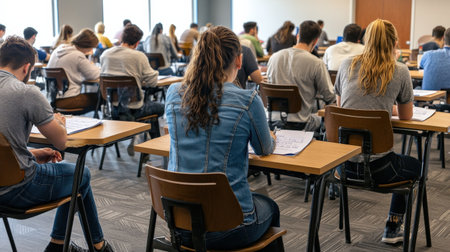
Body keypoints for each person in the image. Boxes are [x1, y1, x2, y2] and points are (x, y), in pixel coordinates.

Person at [165, 25, 278, 250]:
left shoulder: (173, 92)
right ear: (239, 61)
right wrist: (271, 135)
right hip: (229, 226)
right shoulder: (248, 100)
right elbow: (265, 148)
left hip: (179, 222)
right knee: (270, 206)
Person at [0, 36, 113, 252]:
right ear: (26, 68)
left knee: (74, 176)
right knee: (81, 174)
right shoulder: (26, 92)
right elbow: (60, 141)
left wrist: (30, 154)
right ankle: (91, 246)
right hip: (17, 190)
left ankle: (64, 245)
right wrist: (59, 123)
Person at [334, 19, 421, 244]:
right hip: (381, 169)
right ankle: (392, 228)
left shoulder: (346, 65)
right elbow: (406, 116)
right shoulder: (400, 71)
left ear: (365, 40)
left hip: (343, 166)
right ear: (394, 42)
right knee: (416, 166)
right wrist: (385, 108)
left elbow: (341, 107)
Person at [100, 24, 164, 155]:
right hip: (135, 109)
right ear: (137, 42)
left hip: (113, 110)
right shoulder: (138, 56)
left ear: (122, 38)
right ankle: (152, 146)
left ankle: (139, 137)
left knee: (147, 108)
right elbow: (153, 82)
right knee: (159, 108)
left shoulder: (105, 55)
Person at [267, 20, 335, 131]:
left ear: (298, 36)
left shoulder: (274, 57)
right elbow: (330, 97)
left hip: (272, 122)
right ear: (316, 41)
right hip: (301, 124)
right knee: (321, 119)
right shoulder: (316, 63)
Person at [47, 28, 100, 98]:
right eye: (91, 48)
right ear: (86, 46)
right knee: (98, 98)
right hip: (69, 98)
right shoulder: (77, 55)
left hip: (52, 97)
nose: (91, 50)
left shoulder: (59, 49)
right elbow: (94, 75)